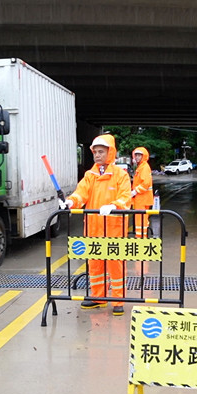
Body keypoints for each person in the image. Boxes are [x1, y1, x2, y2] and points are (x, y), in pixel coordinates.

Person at [61, 134, 132, 316]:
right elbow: (80, 193)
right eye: (95, 152)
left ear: (110, 153)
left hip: (114, 229)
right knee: (95, 264)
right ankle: (98, 297)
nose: (97, 155)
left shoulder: (120, 175)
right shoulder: (90, 175)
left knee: (116, 264)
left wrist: (114, 206)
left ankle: (118, 300)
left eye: (101, 151)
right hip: (93, 228)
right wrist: (71, 202)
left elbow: (125, 198)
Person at [130, 147, 153, 239]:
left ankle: (140, 238)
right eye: (136, 155)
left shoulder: (144, 167)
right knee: (141, 220)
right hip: (142, 198)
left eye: (139, 155)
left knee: (141, 220)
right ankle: (141, 237)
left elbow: (146, 183)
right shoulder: (141, 167)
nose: (137, 157)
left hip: (142, 198)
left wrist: (135, 191)